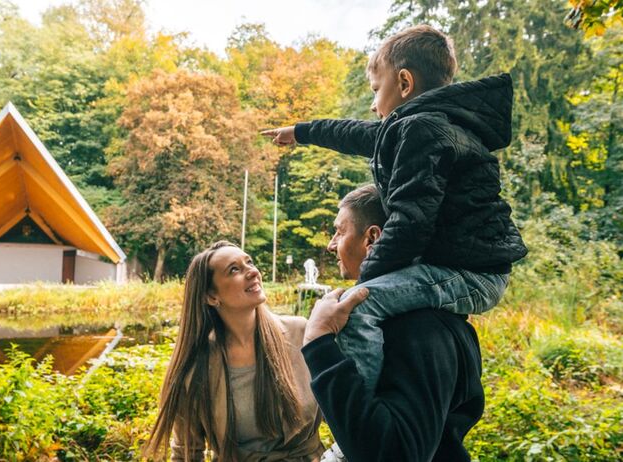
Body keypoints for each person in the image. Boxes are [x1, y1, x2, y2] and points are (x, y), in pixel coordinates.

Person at [261, 24, 527, 391]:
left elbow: (410, 222)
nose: (373, 104)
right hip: (467, 265)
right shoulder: (426, 124)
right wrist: (302, 131)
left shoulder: (423, 129)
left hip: (470, 272)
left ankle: (357, 420)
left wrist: (366, 279)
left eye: (376, 90)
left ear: (404, 83)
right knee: (369, 298)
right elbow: (355, 133)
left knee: (359, 308)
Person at [303, 184, 487, 461]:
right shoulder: (429, 316)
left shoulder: (416, 327)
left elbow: (393, 453)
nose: (331, 244)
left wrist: (318, 341)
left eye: (340, 231)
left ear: (372, 237)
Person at [146, 241, 331, 461]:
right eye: (234, 269)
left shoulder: (301, 333)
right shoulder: (196, 367)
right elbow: (186, 454)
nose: (252, 272)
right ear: (212, 296)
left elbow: (346, 409)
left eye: (249, 262)